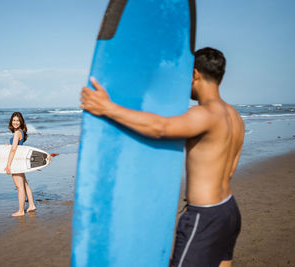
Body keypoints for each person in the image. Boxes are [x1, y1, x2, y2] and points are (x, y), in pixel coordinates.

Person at [80, 47, 244, 267]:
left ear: (194, 73)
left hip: (204, 216)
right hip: (228, 210)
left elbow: (160, 128)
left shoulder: (204, 114)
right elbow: (231, 169)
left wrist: (107, 108)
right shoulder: (234, 116)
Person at [5, 112, 37, 217]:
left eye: (17, 120)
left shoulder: (16, 133)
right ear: (11, 121)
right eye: (13, 120)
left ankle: (21, 211)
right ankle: (31, 204)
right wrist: (9, 145)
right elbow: (15, 147)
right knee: (24, 184)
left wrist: (8, 165)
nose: (15, 122)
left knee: (19, 187)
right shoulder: (20, 132)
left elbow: (14, 150)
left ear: (21, 122)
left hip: (16, 162)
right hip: (19, 161)